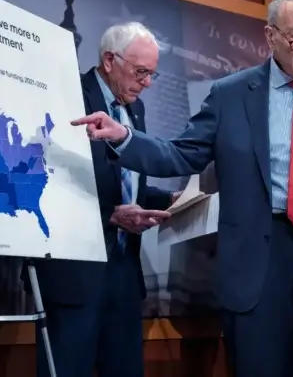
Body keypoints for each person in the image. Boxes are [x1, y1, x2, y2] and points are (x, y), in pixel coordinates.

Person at [71, 0, 293, 377]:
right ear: (271, 36)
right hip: (260, 260)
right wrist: (124, 137)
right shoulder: (231, 95)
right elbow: (181, 154)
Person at [31, 22, 180, 377]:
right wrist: (109, 215)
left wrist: (168, 199)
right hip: (74, 273)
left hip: (124, 271)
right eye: (141, 72)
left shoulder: (135, 109)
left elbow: (123, 181)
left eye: (152, 75)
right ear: (110, 60)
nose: (146, 83)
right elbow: (44, 176)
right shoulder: (65, 93)